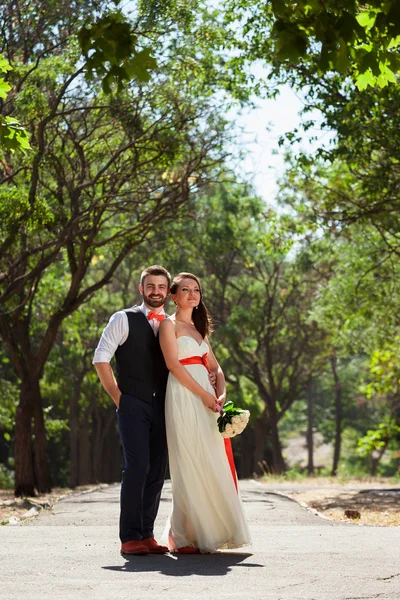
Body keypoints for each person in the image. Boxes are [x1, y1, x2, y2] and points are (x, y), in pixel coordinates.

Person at [159, 272, 251, 553]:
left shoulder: (199, 331)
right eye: (185, 290)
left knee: (210, 458)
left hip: (209, 400)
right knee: (189, 458)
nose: (192, 294)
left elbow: (215, 367)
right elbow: (173, 365)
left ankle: (206, 531)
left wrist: (221, 394)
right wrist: (203, 395)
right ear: (173, 296)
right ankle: (181, 535)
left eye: (196, 290)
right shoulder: (168, 325)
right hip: (184, 395)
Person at [93, 265, 172, 556]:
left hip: (164, 406)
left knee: (157, 470)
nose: (155, 291)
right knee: (137, 467)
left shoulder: (172, 324)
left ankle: (147, 534)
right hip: (132, 403)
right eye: (150, 286)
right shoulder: (123, 319)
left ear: (167, 291)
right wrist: (118, 397)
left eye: (161, 287)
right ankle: (129, 537)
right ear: (142, 289)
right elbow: (101, 359)